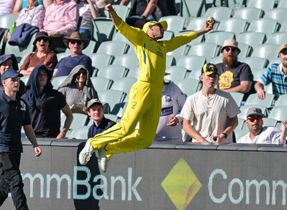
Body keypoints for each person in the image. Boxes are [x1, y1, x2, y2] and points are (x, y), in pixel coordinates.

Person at [79, 4, 214, 173]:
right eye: (158, 27)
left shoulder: (163, 47)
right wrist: (112, 11)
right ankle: (93, 143)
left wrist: (202, 31)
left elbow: (183, 39)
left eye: (162, 28)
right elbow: (121, 26)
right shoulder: (140, 38)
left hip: (156, 93)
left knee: (146, 139)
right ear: (149, 29)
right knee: (126, 127)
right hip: (143, 88)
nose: (161, 30)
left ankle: (107, 150)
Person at [0, 70, 42, 210]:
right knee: (15, 180)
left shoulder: (22, 103)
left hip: (15, 149)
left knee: (5, 186)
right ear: (4, 83)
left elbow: (27, 125)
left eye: (18, 79)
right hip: (2, 149)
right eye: (13, 80)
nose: (17, 82)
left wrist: (35, 144)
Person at [180, 63, 240, 144]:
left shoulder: (226, 97)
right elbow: (186, 125)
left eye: (214, 76)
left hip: (221, 145)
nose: (212, 79)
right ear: (201, 77)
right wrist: (200, 139)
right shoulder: (192, 99)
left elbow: (234, 120)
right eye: (209, 75)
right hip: (199, 145)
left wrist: (223, 135)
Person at [22, 65, 73, 138]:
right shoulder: (25, 98)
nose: (42, 77)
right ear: (34, 77)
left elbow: (69, 115)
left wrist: (63, 133)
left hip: (52, 138)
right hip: (32, 139)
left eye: (44, 74)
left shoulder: (56, 95)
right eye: (39, 74)